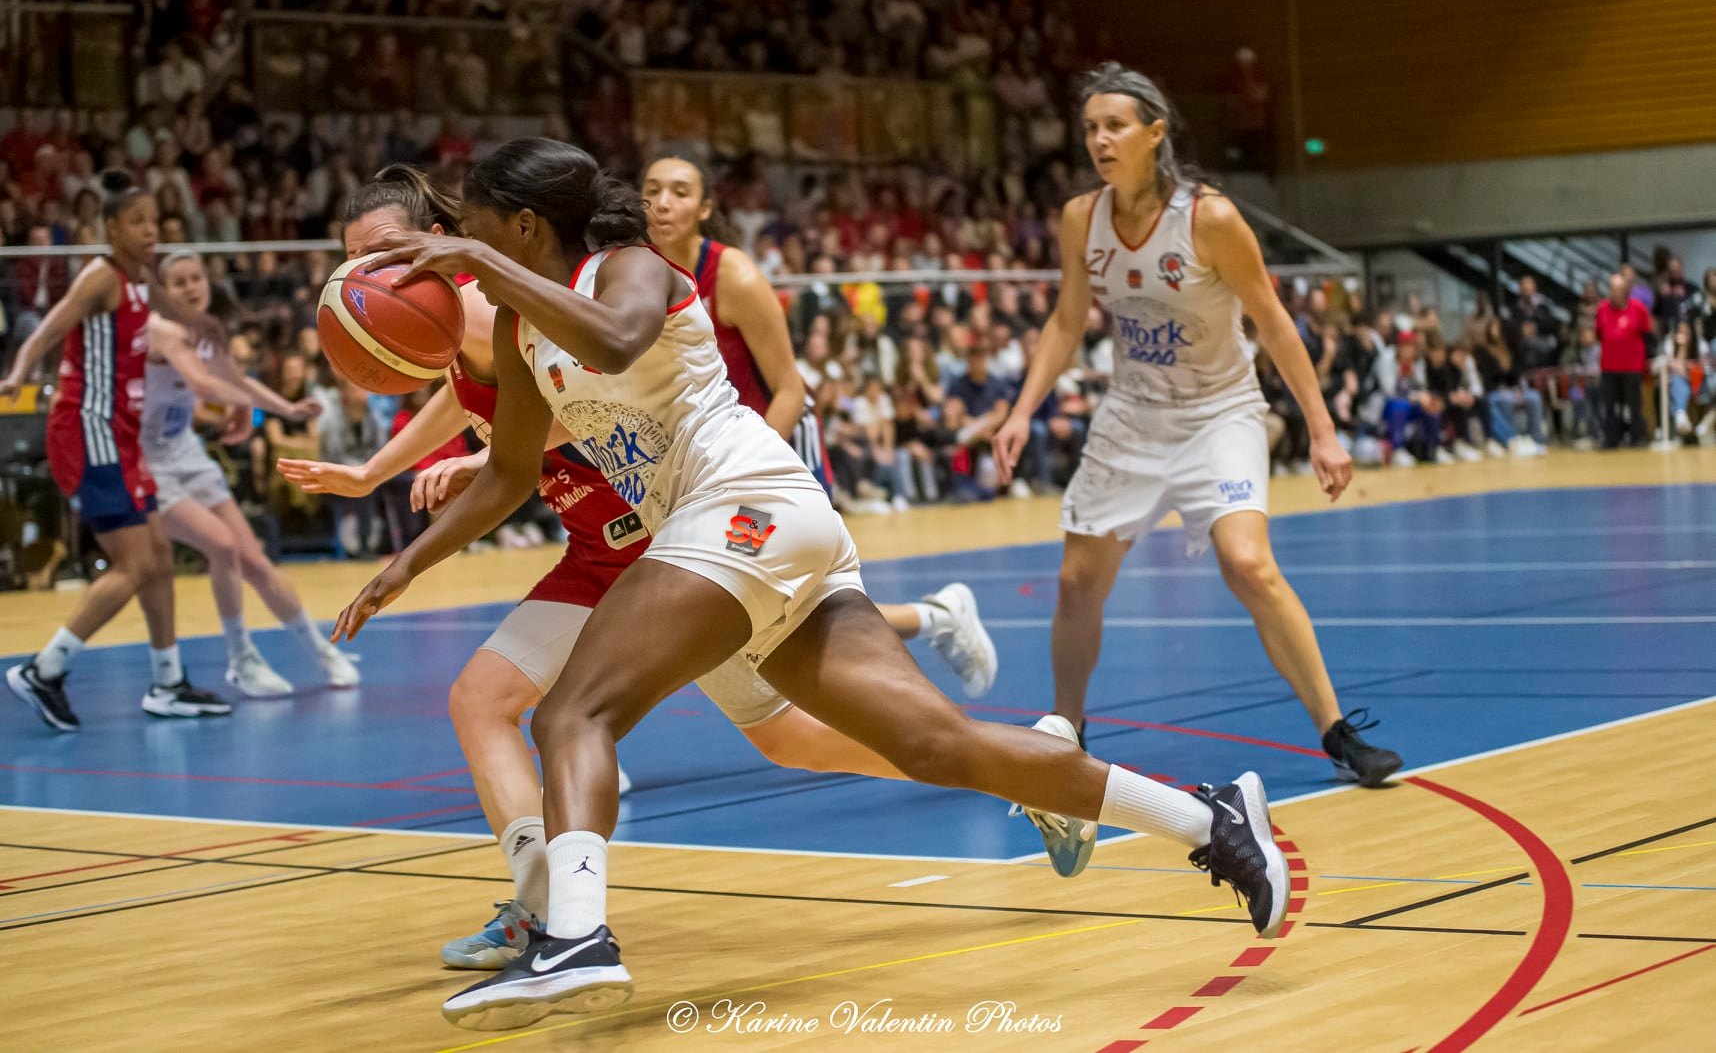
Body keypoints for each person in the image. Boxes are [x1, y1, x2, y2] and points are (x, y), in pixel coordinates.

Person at [337, 139, 1290, 1029]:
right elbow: (508, 472)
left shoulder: (628, 269)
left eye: (477, 230)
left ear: (524, 227)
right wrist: (404, 565)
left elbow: (619, 341)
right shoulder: (518, 326)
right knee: (935, 744)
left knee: (572, 715)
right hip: (758, 529)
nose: (462, 250)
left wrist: (477, 261)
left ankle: (574, 936)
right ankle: (1208, 819)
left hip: (742, 502)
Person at [280, 167, 940, 974]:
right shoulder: (458, 321)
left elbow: (576, 402)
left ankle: (977, 761)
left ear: (439, 238)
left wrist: (483, 461)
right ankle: (540, 901)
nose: (368, 272)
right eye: (354, 258)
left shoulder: (491, 308)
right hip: (594, 547)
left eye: (384, 250)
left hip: (659, 540)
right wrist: (375, 471)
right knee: (487, 700)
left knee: (776, 736)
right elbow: (465, 397)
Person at [992, 64, 1401, 875]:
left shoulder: (1208, 218)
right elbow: (1068, 320)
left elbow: (1274, 323)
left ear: (1156, 133)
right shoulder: (1081, 218)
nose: (1100, 140)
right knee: (1076, 582)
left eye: (1115, 125)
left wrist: (1322, 430)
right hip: (1133, 417)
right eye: (1091, 128)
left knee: (1249, 564)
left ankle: (1336, 732)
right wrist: (1020, 409)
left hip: (1220, 414)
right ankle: (1066, 735)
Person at [640, 155, 995, 694]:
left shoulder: (733, 275)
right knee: (788, 607)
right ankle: (937, 618)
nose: (663, 203)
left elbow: (790, 388)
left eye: (680, 192)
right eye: (652, 190)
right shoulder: (635, 272)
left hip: (771, 444)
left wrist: (737, 472)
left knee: (781, 601)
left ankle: (916, 665)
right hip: (702, 459)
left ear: (705, 208)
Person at [1, 171, 230, 729]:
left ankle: (168, 682)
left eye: (154, 221)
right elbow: (46, 331)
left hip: (119, 436)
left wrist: (209, 327)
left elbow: (179, 313)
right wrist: (18, 373)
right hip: (88, 430)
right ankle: (45, 669)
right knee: (133, 565)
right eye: (137, 222)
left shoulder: (140, 281)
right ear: (110, 229)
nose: (150, 231)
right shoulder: (100, 277)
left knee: (159, 558)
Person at [144, 251, 360, 697]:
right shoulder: (159, 330)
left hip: (186, 454)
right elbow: (206, 386)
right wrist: (243, 404)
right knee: (222, 548)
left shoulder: (208, 333)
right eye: (179, 282)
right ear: (164, 293)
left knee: (256, 562)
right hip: (146, 464)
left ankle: (321, 651)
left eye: (196, 278)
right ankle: (240, 657)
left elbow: (236, 381)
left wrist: (287, 409)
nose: (191, 287)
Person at [1595, 272, 1653, 448]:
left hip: (1632, 366)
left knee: (1634, 404)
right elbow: (1599, 334)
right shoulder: (1602, 309)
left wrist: (1646, 360)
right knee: (1610, 405)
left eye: (1618, 289)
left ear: (1626, 291)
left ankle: (1637, 437)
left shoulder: (1638, 308)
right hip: (1609, 366)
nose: (1615, 293)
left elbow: (1647, 335)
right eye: (1612, 289)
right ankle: (1611, 439)